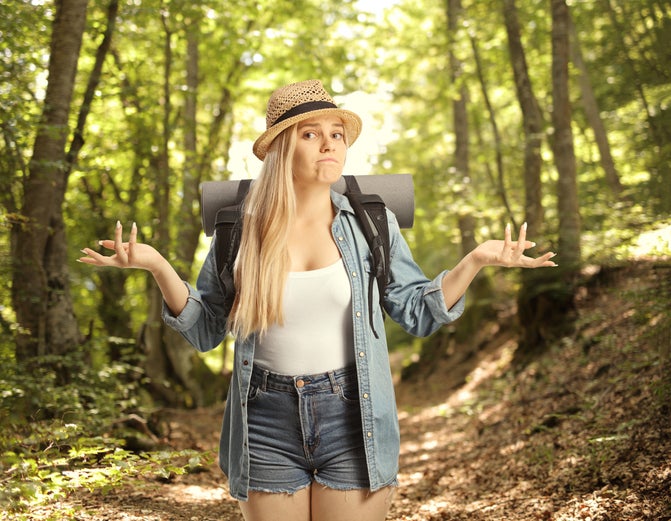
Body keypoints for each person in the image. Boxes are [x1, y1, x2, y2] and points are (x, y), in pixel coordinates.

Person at [79, 79, 557, 521]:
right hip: (263, 415)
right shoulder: (239, 230)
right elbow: (205, 329)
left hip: (352, 412)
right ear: (281, 150)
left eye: (336, 133)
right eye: (310, 134)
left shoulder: (371, 222)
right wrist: (159, 266)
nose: (329, 143)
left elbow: (416, 310)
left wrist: (474, 261)